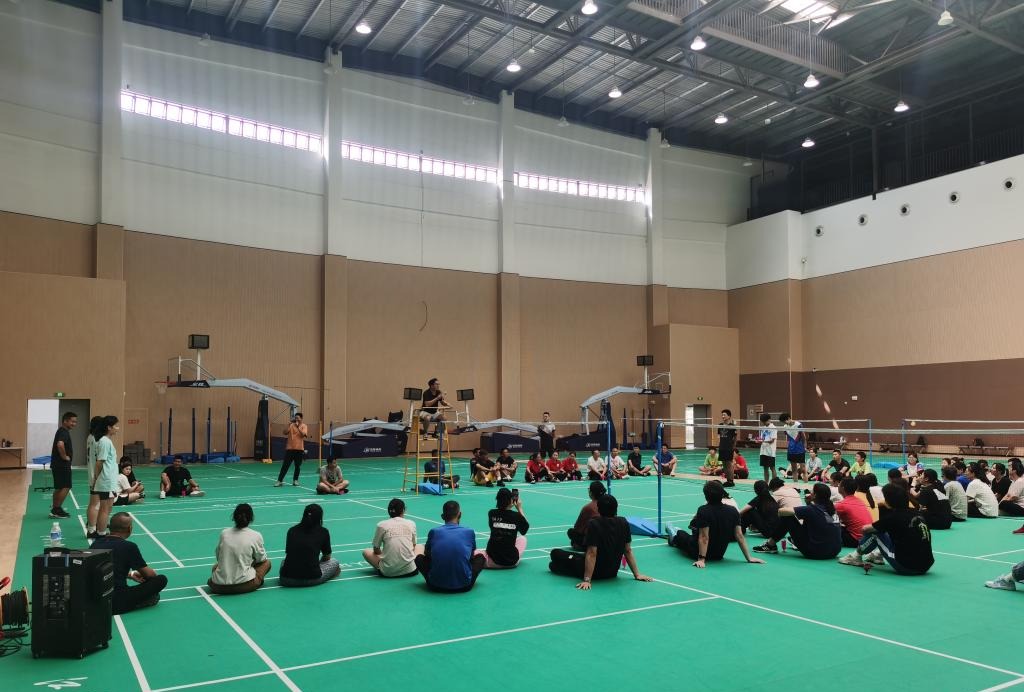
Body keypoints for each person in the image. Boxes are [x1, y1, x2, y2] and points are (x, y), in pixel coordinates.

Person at [548, 494, 653, 588]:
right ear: (616, 508)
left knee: (555, 554)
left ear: (599, 509)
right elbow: (628, 550)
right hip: (612, 572)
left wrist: (587, 580)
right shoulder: (624, 522)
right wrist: (637, 574)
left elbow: (592, 553)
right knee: (573, 558)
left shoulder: (594, 523)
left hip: (595, 573)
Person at [839, 484, 934, 575]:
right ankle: (877, 555)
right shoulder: (917, 513)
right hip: (926, 565)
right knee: (895, 533)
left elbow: (865, 529)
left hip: (906, 567)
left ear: (888, 501)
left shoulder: (893, 517)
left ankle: (856, 556)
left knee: (875, 533)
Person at [665, 481, 764, 568]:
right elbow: (739, 535)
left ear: (706, 496)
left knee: (681, 534)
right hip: (718, 554)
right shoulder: (733, 511)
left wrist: (701, 559)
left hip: (697, 552)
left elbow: (704, 537)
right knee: (691, 536)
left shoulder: (703, 510)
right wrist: (749, 558)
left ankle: (674, 535)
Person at [91, 513, 168, 614]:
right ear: (129, 529)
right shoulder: (129, 547)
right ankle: (139, 602)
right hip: (117, 601)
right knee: (161, 580)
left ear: (110, 527)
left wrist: (130, 575)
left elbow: (100, 570)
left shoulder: (96, 543)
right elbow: (150, 575)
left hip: (96, 599)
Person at [753, 483, 842, 560]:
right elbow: (817, 522)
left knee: (788, 518)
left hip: (815, 553)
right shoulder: (832, 509)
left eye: (812, 491)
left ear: (815, 495)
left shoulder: (811, 509)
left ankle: (770, 545)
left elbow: (781, 511)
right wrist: (808, 503)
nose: (810, 493)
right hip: (834, 552)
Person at [415, 500, 485, 593]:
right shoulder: (469, 531)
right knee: (480, 558)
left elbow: (427, 554)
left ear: (442, 516)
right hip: (464, 586)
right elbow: (471, 555)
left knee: (419, 558)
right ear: (460, 514)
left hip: (435, 586)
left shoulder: (434, 531)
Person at [208, 503, 271, 594]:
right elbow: (262, 559)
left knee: (215, 566)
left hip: (217, 586)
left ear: (234, 517)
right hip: (244, 584)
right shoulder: (256, 535)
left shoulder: (224, 533)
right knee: (267, 563)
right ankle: (256, 581)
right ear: (251, 518)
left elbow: (218, 557)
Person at [279, 504, 340, 587]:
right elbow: (327, 557)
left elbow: (289, 553)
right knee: (335, 562)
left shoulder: (292, 530)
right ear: (320, 517)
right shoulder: (323, 532)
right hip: (312, 579)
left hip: (286, 579)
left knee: (283, 561)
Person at [362, 498, 421, 578]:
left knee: (366, 551)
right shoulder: (411, 523)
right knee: (420, 547)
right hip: (411, 571)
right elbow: (413, 546)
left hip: (387, 573)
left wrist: (386, 555)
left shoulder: (381, 525)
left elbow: (376, 550)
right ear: (403, 510)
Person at [477, 488, 529, 568]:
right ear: (511, 500)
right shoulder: (516, 516)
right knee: (522, 539)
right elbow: (524, 530)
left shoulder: (491, 513)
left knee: (476, 552)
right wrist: (519, 508)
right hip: (511, 562)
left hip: (492, 561)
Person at [91, 415, 120, 539]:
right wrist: (97, 478)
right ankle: (101, 534)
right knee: (105, 508)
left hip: (109, 480)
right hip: (106, 480)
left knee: (107, 508)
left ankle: (101, 531)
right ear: (109, 427)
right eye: (116, 426)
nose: (117, 428)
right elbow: (99, 462)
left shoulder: (106, 441)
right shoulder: (104, 441)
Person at [49, 411, 77, 519]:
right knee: (66, 486)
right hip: (62, 465)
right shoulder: (64, 432)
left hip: (57, 464)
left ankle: (55, 509)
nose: (74, 424)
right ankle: (57, 509)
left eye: (75, 422)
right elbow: (60, 445)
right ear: (65, 421)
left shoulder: (61, 431)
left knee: (59, 487)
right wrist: (65, 457)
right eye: (72, 421)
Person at [835, 477, 873, 547]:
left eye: (839, 484)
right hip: (868, 539)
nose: (838, 486)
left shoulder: (841, 504)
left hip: (856, 540)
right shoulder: (860, 501)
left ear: (842, 488)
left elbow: (829, 520)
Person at [567, 481, 606, 549]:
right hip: (608, 537)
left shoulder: (588, 507)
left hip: (594, 540)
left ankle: (583, 546)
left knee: (571, 532)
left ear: (591, 493)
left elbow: (577, 528)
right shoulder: (609, 503)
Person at [84, 416, 104, 539]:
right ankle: (91, 530)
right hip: (96, 476)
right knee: (95, 504)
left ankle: (92, 522)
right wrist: (98, 477)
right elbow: (99, 461)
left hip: (92, 474)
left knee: (94, 503)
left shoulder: (90, 437)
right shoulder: (97, 440)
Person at [276, 412, 307, 487]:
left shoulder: (304, 426)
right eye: (295, 418)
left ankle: (295, 480)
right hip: (290, 449)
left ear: (301, 418)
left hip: (299, 449)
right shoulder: (291, 425)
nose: (296, 419)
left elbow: (303, 434)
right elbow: (284, 432)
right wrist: (288, 425)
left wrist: (298, 427)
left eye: (298, 418)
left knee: (297, 466)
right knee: (285, 466)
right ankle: (279, 481)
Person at [779, 412, 806, 482]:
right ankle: (795, 485)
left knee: (803, 469)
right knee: (794, 469)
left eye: (784, 421)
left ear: (788, 418)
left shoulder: (798, 425)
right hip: (791, 450)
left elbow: (804, 437)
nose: (784, 423)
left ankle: (806, 485)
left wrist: (805, 447)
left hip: (800, 449)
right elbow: (788, 436)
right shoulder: (785, 426)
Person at [717, 409, 738, 487]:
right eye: (722, 415)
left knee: (729, 464)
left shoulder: (732, 426)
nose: (723, 416)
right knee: (724, 464)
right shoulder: (720, 425)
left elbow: (735, 437)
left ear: (729, 416)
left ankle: (731, 481)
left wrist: (733, 447)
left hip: (729, 447)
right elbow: (719, 436)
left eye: (724, 415)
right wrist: (719, 445)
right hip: (722, 447)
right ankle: (728, 480)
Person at [758, 413, 778, 482]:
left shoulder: (773, 428)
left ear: (769, 420)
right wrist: (758, 440)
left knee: (772, 468)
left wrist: (763, 441)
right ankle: (766, 483)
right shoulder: (763, 428)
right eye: (762, 422)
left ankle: (774, 484)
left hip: (770, 452)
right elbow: (762, 438)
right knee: (765, 468)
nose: (764, 423)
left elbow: (772, 440)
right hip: (763, 451)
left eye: (765, 421)